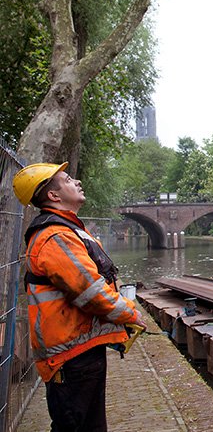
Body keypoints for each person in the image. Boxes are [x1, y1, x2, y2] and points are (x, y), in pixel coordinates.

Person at [12, 162, 147, 432]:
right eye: (68, 179)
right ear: (53, 196)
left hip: (80, 350)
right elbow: (91, 292)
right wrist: (131, 313)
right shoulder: (55, 236)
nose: (77, 182)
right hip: (71, 357)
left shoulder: (68, 230)